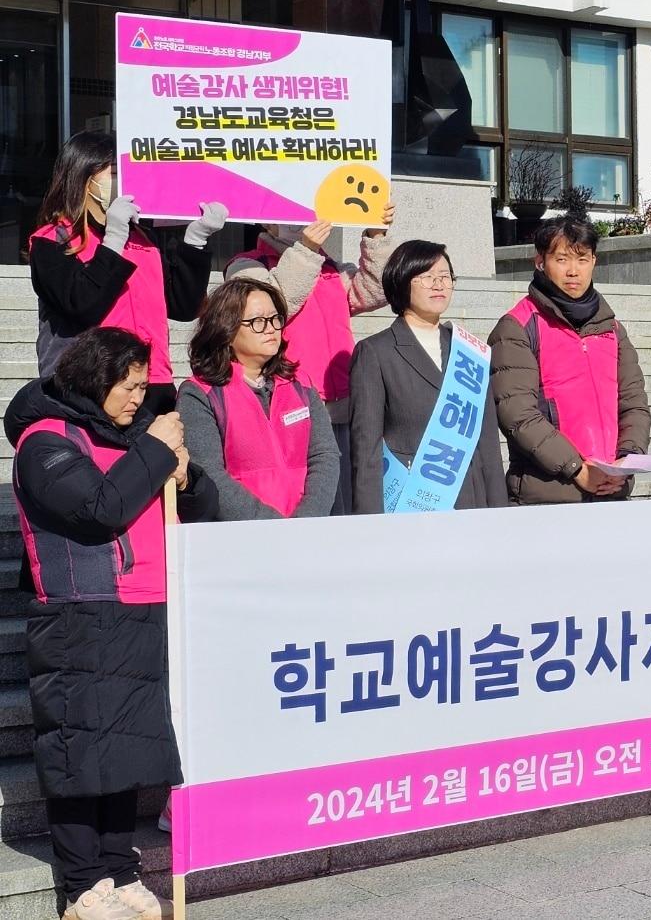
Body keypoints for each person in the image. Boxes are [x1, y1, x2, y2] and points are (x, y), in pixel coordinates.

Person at [4, 328, 217, 920]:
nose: (136, 398)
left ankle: (120, 871)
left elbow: (202, 506)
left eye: (142, 386)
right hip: (79, 609)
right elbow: (97, 510)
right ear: (96, 379)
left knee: (126, 750)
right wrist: (154, 453)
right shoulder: (45, 442)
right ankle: (82, 883)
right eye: (128, 386)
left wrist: (186, 478)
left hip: (142, 606)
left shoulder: (131, 439)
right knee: (78, 750)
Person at [28, 131, 226, 415]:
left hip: (151, 383)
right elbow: (81, 304)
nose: (124, 182)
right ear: (83, 175)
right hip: (90, 386)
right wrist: (114, 239)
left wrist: (196, 241)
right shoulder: (53, 240)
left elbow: (184, 305)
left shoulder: (142, 240)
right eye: (114, 172)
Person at [224, 209, 395, 513]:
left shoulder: (330, 267)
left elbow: (376, 290)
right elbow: (274, 306)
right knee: (306, 500)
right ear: (265, 220)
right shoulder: (246, 265)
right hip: (288, 406)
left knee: (343, 503)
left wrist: (374, 236)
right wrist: (305, 250)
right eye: (289, 212)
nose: (300, 219)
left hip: (339, 402)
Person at [488, 218, 650, 504]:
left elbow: (634, 404)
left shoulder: (611, 329)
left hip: (610, 492)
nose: (573, 271)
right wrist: (576, 469)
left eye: (582, 259)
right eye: (561, 259)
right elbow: (518, 414)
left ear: (594, 262)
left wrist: (626, 461)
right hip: (547, 498)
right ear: (540, 262)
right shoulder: (517, 326)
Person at [350, 240, 507, 513]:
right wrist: (370, 524)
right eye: (426, 277)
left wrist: (498, 512)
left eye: (445, 277)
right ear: (402, 280)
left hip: (471, 501)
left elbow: (489, 447)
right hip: (411, 503)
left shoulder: (470, 351)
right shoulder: (376, 352)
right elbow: (367, 453)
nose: (439, 284)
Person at [178, 278, 340, 521]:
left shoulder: (301, 384)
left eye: (275, 319)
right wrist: (270, 527)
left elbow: (324, 455)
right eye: (257, 321)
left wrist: (307, 520)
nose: (271, 328)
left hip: (306, 530)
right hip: (240, 536)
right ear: (226, 329)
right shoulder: (200, 394)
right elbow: (208, 473)